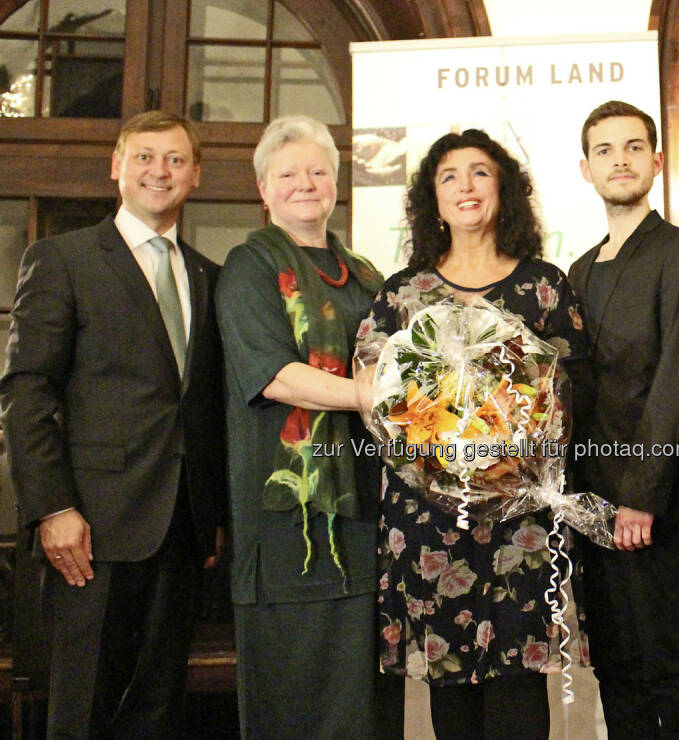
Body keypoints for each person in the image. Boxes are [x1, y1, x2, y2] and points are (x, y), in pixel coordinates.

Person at [0, 110, 227, 737]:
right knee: (81, 709)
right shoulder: (62, 259)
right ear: (117, 167)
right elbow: (27, 390)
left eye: (176, 159)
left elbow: (202, 406)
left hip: (181, 530)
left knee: (156, 707)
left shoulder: (210, 276)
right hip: (89, 530)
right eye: (146, 156)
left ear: (195, 174)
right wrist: (52, 507)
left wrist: (213, 517)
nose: (161, 171)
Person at [357, 128, 587, 740]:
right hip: (430, 517)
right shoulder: (403, 293)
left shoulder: (545, 285)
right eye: (450, 176)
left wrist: (509, 454)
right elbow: (377, 402)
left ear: (503, 190)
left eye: (480, 172)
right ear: (433, 201)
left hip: (520, 513)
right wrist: (442, 456)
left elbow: (567, 397)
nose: (466, 186)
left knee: (518, 691)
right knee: (449, 690)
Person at [215, 115, 403, 738]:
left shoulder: (367, 273)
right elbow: (274, 375)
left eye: (319, 170)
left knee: (365, 704)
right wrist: (375, 396)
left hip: (366, 518)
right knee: (297, 698)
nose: (306, 182)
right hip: (288, 522)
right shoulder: (249, 265)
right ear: (263, 189)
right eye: (288, 173)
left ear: (337, 182)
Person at [567, 100, 679, 738]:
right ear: (585, 168)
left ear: (656, 162)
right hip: (589, 500)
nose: (619, 160)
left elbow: (677, 377)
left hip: (648, 500)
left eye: (632, 147)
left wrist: (641, 499)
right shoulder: (577, 270)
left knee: (668, 663)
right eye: (605, 150)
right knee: (614, 666)